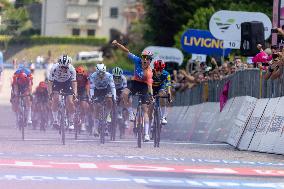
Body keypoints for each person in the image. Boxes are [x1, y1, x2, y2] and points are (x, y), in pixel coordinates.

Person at [112, 40, 153, 142]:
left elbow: (149, 85)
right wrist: (117, 44)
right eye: (144, 58)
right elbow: (126, 51)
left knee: (145, 110)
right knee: (124, 94)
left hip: (144, 86)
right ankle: (130, 113)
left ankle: (146, 134)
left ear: (149, 61)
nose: (144, 60)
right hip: (135, 83)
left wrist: (151, 95)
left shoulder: (149, 72)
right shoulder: (137, 60)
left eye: (147, 59)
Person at [48, 54, 77, 130]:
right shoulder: (54, 68)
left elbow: (74, 82)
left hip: (67, 82)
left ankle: (71, 122)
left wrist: (75, 93)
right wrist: (50, 93)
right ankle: (55, 120)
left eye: (65, 67)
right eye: (62, 67)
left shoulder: (71, 69)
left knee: (70, 102)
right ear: (59, 65)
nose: (64, 69)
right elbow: (50, 82)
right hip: (56, 82)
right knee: (56, 99)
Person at [89, 63, 116, 136]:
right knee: (97, 107)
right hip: (97, 90)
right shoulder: (93, 76)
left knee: (110, 100)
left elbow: (113, 87)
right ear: (96, 72)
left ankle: (107, 115)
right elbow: (91, 88)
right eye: (99, 73)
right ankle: (95, 129)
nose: (101, 75)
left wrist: (114, 97)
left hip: (106, 89)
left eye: (102, 73)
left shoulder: (109, 75)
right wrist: (91, 96)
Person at [148, 59, 171, 125]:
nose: (159, 72)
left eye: (161, 70)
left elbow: (168, 84)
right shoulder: (150, 73)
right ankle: (150, 122)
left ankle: (163, 117)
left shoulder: (167, 74)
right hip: (151, 87)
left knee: (162, 95)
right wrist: (150, 95)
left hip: (160, 87)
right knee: (150, 105)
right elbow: (148, 85)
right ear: (154, 68)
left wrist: (169, 94)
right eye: (157, 69)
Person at [75, 66, 90, 131]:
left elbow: (88, 86)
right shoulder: (73, 76)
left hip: (83, 89)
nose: (79, 77)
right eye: (78, 75)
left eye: (81, 75)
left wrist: (88, 94)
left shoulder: (86, 77)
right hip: (76, 89)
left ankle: (83, 123)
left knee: (83, 105)